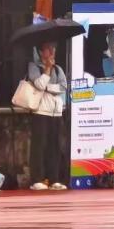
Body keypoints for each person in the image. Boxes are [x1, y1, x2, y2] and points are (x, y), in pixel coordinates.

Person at [26, 42, 67, 191]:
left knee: (55, 146)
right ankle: (37, 179)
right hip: (41, 111)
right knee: (39, 146)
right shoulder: (34, 67)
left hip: (56, 112)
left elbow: (63, 86)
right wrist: (47, 70)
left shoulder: (58, 69)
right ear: (41, 52)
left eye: (52, 48)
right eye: (47, 49)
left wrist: (49, 87)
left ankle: (54, 178)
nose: (51, 51)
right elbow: (39, 85)